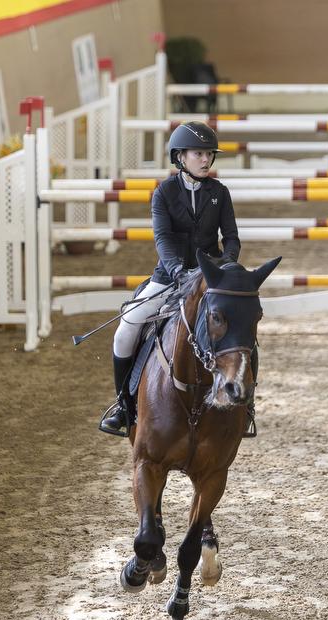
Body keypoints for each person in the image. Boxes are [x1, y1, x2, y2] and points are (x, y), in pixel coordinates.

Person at [99, 121, 252, 437]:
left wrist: (222, 267)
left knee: (244, 331)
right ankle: (124, 406)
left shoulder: (219, 193)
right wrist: (179, 272)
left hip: (210, 279)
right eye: (198, 154)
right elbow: (163, 239)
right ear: (180, 157)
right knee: (126, 330)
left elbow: (231, 238)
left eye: (209, 154)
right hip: (170, 278)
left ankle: (246, 408)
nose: (206, 160)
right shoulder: (164, 193)